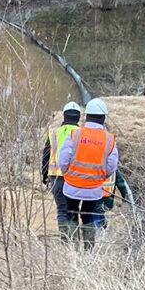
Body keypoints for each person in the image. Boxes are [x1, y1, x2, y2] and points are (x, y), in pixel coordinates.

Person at [57, 98, 119, 249]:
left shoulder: (75, 134)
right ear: (103, 117)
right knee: (88, 217)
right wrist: (100, 177)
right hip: (94, 189)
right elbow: (111, 167)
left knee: (71, 214)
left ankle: (71, 248)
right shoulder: (109, 140)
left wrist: (68, 174)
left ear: (86, 116)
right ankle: (88, 249)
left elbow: (63, 159)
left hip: (71, 185)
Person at [42, 102, 82, 242]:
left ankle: (65, 240)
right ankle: (75, 240)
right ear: (78, 117)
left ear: (64, 116)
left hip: (55, 178)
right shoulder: (82, 134)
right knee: (73, 209)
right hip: (74, 179)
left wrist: (44, 176)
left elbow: (46, 156)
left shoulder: (54, 133)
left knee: (61, 209)